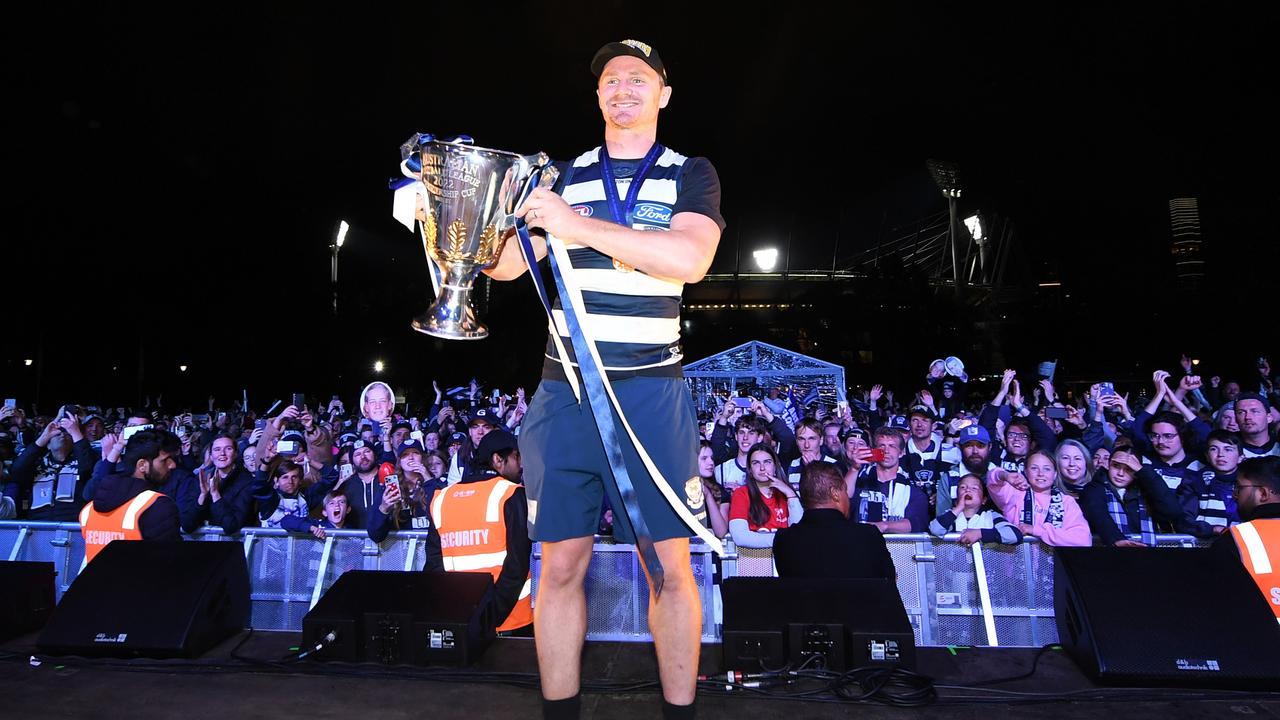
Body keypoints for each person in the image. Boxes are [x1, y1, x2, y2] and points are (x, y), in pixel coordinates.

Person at [484, 39, 725, 718]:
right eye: (611, 79)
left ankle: (680, 710)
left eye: (638, 78)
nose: (623, 87)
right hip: (566, 395)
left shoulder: (690, 172)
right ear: (597, 96)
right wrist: (455, 227)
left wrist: (576, 226)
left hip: (651, 393)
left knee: (669, 569)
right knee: (559, 568)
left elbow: (689, 257)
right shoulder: (559, 176)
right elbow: (508, 265)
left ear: (662, 95)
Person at [427, 429, 532, 637]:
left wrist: (461, 614)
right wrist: (491, 616)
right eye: (516, 457)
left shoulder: (442, 498)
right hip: (509, 621)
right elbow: (517, 563)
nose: (520, 465)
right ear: (498, 459)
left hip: (458, 619)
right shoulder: (511, 493)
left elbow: (433, 563)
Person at [774, 462, 896, 579]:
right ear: (835, 493)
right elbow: (889, 582)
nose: (848, 498)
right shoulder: (868, 535)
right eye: (845, 490)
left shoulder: (784, 540)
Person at [79, 429, 182, 564]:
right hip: (140, 584)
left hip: (95, 584)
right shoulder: (157, 505)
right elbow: (168, 563)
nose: (173, 465)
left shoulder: (89, 510)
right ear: (142, 465)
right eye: (165, 460)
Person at [1210, 456, 1280, 621]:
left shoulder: (1236, 538)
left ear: (1262, 493)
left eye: (1240, 488)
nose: (1235, 495)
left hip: (1261, 640)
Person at [986, 451, 1091, 547]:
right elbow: (992, 479)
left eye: (1047, 469)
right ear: (1026, 472)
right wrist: (1005, 475)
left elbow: (1083, 540)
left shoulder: (1066, 502)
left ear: (1055, 474)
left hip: (1054, 564)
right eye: (1034, 468)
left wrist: (1038, 531)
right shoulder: (1015, 493)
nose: (1041, 474)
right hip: (1015, 563)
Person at [851, 428, 930, 533]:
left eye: (892, 446)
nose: (886, 451)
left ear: (901, 453)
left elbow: (917, 522)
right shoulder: (859, 482)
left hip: (897, 548)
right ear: (873, 450)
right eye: (881, 446)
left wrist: (884, 526)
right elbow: (842, 501)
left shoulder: (912, 492)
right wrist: (854, 468)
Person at [727, 442, 802, 548]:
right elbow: (740, 537)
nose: (762, 468)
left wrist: (791, 495)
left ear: (775, 466)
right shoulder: (741, 494)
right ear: (750, 469)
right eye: (756, 463)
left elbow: (799, 533)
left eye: (767, 462)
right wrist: (784, 539)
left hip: (787, 560)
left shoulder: (787, 494)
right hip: (755, 561)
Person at [929, 473, 1023, 545]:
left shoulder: (990, 516)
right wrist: (958, 508)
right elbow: (935, 529)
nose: (968, 490)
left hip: (986, 568)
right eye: (963, 487)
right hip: (954, 569)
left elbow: (1015, 535)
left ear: (984, 499)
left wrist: (980, 533)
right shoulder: (951, 516)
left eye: (974, 488)